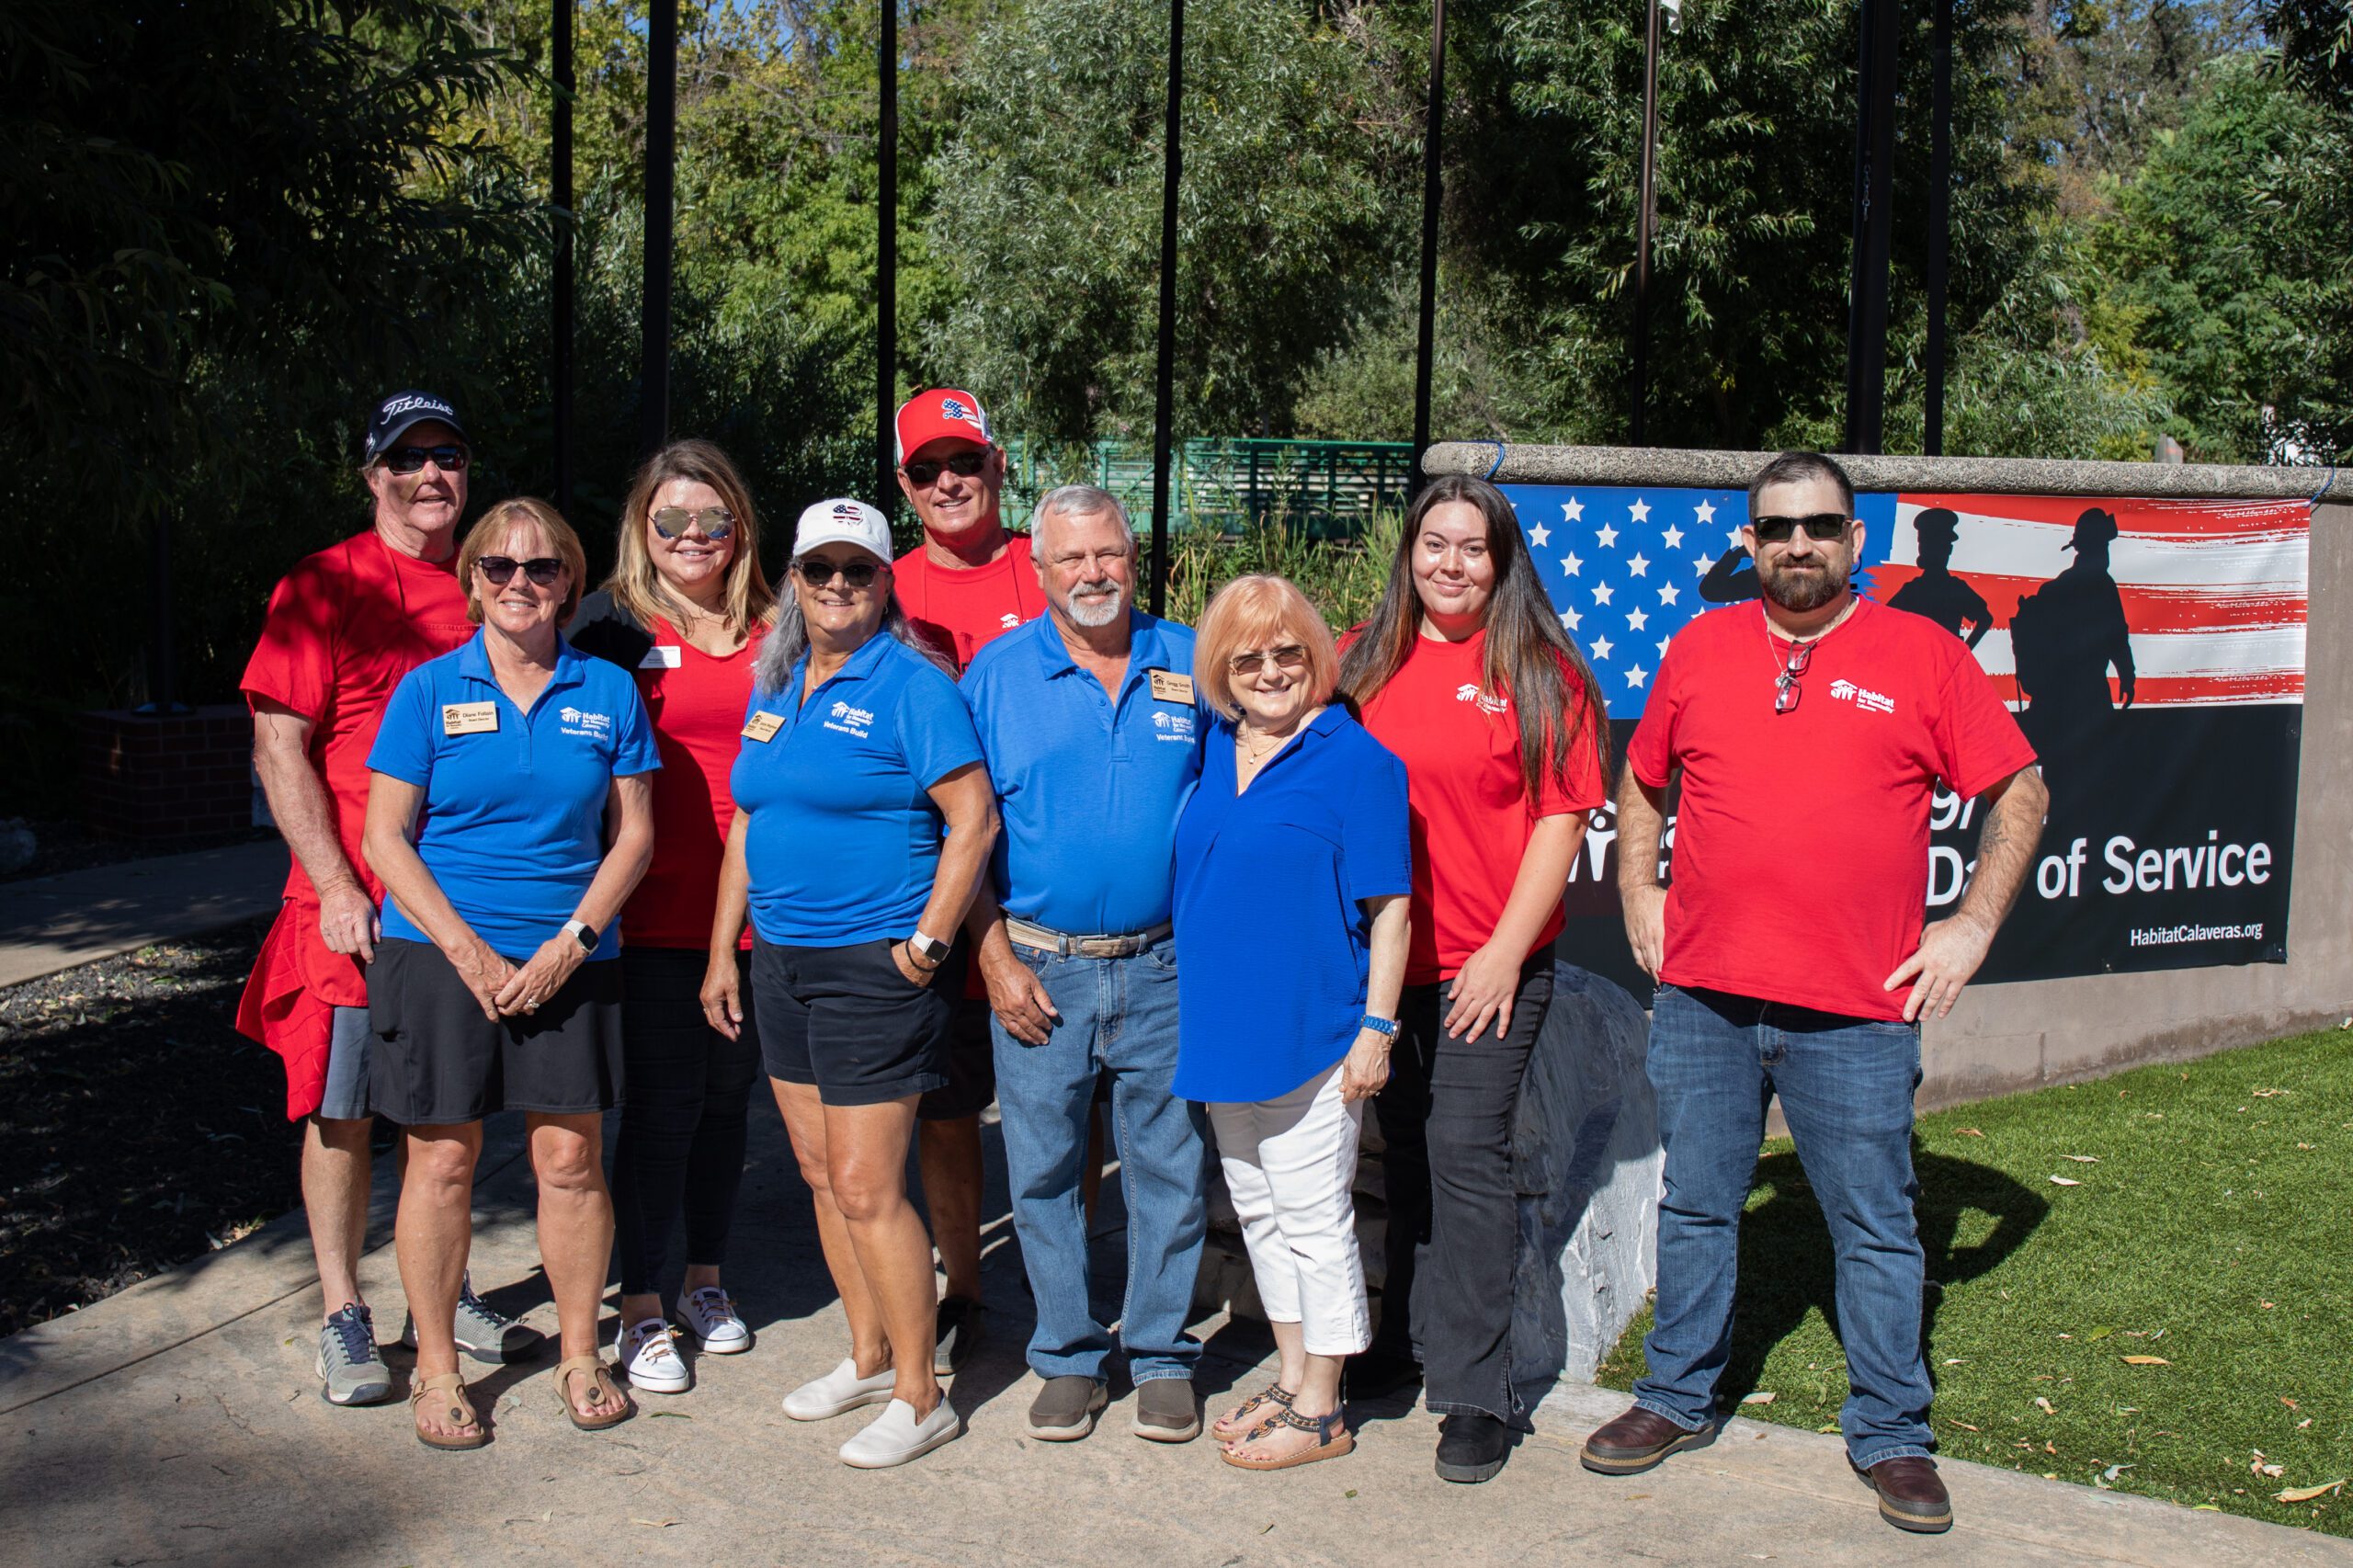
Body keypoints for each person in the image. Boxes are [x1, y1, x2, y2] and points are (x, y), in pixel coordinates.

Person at [1583, 451, 2047, 1535]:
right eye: (1777, 527)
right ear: (1747, 543)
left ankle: (1891, 1430)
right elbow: (1645, 779)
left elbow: (2020, 786)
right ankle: (1675, 1393)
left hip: (1854, 1010)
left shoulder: (1920, 654)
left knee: (1875, 1222)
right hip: (1703, 998)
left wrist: (1971, 923)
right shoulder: (1699, 646)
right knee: (1697, 1203)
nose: (1799, 544)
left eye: (1821, 525)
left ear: (1855, 540)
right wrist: (1637, 886)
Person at [235, 390, 538, 1408]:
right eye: (405, 459)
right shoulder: (323, 585)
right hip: (357, 903)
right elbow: (280, 746)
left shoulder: (492, 582)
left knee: (444, 1115)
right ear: (372, 475)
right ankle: (341, 1309)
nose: (429, 477)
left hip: (469, 907)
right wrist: (330, 884)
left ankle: (434, 1298)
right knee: (343, 1112)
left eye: (447, 456)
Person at [362, 498, 661, 1449]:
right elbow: (384, 835)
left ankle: (581, 1352)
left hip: (569, 955)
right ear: (473, 581)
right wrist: (471, 953)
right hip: (441, 953)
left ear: (571, 580)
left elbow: (636, 836)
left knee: (569, 1160)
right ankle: (440, 1367)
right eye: (499, 567)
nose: (520, 583)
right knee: (441, 1158)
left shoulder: (606, 690)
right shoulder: (425, 689)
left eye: (541, 568)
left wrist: (570, 942)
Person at [707, 498, 999, 1469]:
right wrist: (723, 949)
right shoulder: (779, 681)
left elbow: (973, 819)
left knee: (872, 1183)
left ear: (886, 582)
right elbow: (746, 823)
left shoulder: (913, 683)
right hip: (781, 959)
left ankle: (922, 1395)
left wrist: (927, 942)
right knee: (822, 1172)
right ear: (793, 579)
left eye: (858, 571)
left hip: (875, 964)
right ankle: (870, 1355)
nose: (838, 586)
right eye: (820, 570)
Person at [1337, 473, 1611, 1484]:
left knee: (1464, 1153)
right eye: (1433, 544)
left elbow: (1559, 820)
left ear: (1502, 561)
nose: (1449, 564)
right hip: (1384, 964)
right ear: (1409, 552)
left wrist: (1502, 949)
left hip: (1487, 966)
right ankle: (1404, 1341)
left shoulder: (1539, 672)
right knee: (1402, 1151)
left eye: (1472, 548)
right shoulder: (1362, 657)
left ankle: (1477, 1390)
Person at [960, 485, 1211, 1444]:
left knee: (1168, 1169)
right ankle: (1065, 1351)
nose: (1091, 574)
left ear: (1133, 555)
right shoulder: (994, 675)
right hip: (1037, 968)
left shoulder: (1188, 659)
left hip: (1163, 968)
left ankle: (1158, 1353)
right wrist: (990, 958)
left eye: (1106, 553)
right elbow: (957, 835)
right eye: (1070, 559)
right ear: (1039, 566)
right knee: (1043, 1173)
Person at [1171, 575, 1412, 1471]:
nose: (1270, 670)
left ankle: (1323, 1404)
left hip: (1317, 1032)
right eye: (1247, 657)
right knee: (1261, 1215)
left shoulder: (1358, 762)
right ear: (1221, 672)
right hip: (1223, 1034)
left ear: (1315, 658)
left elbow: (1391, 908)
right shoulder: (1209, 747)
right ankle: (1290, 1369)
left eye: (1288, 652)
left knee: (1316, 1219)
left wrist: (1376, 1028)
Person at [569, 440, 775, 1395]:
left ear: (739, 527)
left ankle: (703, 1278)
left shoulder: (780, 627)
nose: (693, 537)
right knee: (660, 1110)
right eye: (671, 520)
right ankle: (639, 1305)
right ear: (641, 527)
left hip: (755, 914)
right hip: (650, 913)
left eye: (713, 519)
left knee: (727, 1105)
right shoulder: (608, 625)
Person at [888, 387, 1041, 1373]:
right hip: (938, 887)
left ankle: (1066, 1286)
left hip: (1047, 883)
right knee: (946, 1110)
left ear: (997, 468)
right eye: (926, 469)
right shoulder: (881, 587)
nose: (949, 481)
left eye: (966, 463)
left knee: (1064, 1107)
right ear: (905, 489)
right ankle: (965, 1287)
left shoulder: (1054, 564)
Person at [1886, 507, 1994, 648]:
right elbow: (1887, 621)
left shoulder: (1952, 588)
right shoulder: (1914, 589)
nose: (1948, 550)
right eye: (1945, 545)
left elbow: (1985, 619)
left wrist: (1963, 651)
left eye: (1947, 546)